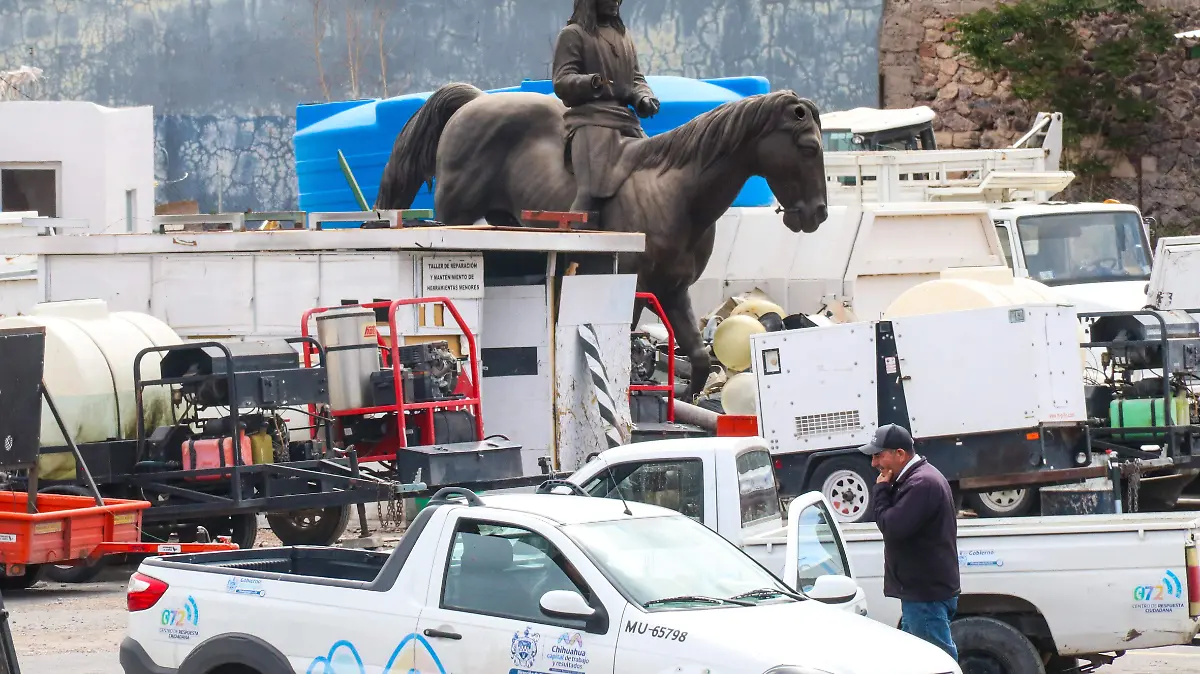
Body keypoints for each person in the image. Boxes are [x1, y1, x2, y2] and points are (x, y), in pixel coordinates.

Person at [859, 423, 960, 661]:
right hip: (922, 594)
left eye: (878, 455)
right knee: (910, 661)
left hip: (925, 596)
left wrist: (881, 490)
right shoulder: (916, 479)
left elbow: (892, 527)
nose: (874, 464)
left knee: (934, 662)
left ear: (900, 454)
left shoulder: (921, 483)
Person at [551, 0, 660, 217]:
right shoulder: (573, 34)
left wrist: (643, 97)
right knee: (591, 191)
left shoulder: (624, 36)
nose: (615, 2)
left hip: (626, 121)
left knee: (655, 171)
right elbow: (561, 81)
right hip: (590, 120)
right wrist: (590, 82)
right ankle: (577, 243)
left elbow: (636, 78)